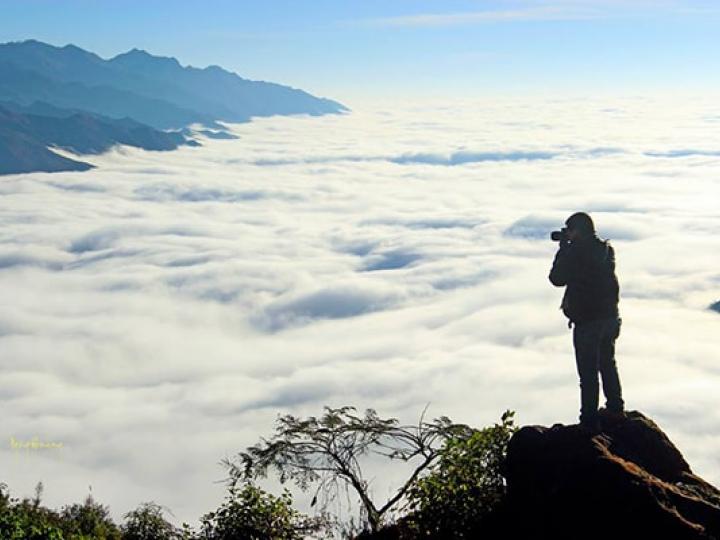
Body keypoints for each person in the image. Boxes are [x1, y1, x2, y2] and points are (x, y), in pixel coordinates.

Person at [549, 212, 625, 432]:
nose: (567, 234)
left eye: (569, 230)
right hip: (610, 317)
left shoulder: (575, 253)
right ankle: (615, 409)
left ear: (578, 231)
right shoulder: (605, 249)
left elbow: (556, 279)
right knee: (608, 365)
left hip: (588, 321)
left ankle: (589, 421)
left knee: (588, 374)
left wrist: (563, 249)